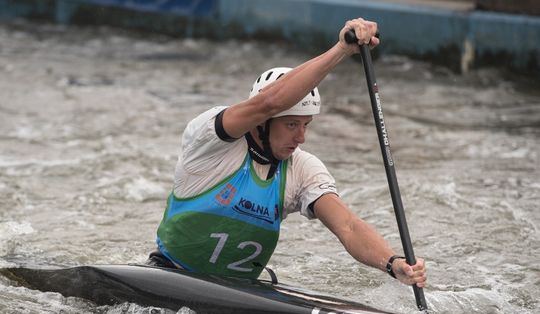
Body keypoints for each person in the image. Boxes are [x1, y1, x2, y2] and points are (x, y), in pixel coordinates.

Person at [148, 17, 427, 288]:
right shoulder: (211, 140)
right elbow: (269, 102)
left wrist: (393, 263)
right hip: (171, 275)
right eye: (292, 124)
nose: (301, 136)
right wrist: (342, 50)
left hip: (241, 291)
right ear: (261, 121)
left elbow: (348, 226)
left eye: (306, 125)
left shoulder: (302, 168)